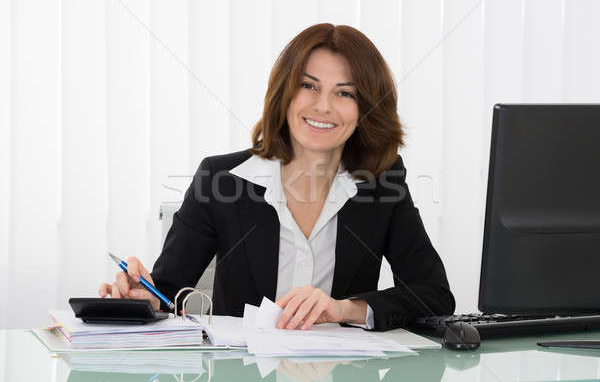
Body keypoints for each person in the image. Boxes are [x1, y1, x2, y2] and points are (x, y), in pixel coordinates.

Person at [99, 23, 455, 331]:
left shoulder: (381, 182)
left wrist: (344, 309)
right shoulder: (221, 179)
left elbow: (433, 294)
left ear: (366, 108)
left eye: (345, 93)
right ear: (285, 93)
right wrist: (143, 297)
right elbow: (168, 291)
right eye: (309, 86)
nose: (323, 106)